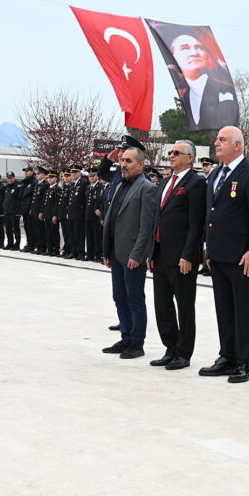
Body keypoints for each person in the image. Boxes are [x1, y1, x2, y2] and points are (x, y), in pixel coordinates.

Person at [198, 126, 249, 384]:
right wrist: (208, 246)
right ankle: (226, 356)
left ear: (238, 145)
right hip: (217, 255)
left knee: (242, 309)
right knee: (223, 308)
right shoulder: (216, 173)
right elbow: (211, 212)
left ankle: (243, 361)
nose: (216, 143)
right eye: (217, 139)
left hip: (242, 257)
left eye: (222, 139)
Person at [148, 139, 206, 370]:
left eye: (176, 153)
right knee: (162, 305)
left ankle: (184, 353)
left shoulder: (195, 183)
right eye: (170, 152)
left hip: (181, 257)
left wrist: (188, 255)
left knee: (184, 306)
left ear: (190, 158)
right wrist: (151, 251)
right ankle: (170, 347)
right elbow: (156, 219)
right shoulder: (164, 183)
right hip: (160, 253)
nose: (171, 156)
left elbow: (196, 224)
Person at [101, 144, 157, 360]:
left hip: (132, 255)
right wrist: (107, 250)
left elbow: (146, 227)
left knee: (134, 298)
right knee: (119, 297)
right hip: (116, 252)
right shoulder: (120, 185)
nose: (123, 164)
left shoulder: (147, 188)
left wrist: (138, 255)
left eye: (128, 161)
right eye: (122, 160)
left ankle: (136, 342)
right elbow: (113, 218)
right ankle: (125, 337)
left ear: (141, 165)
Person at [170, 33, 239, 131]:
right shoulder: (185, 96)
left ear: (208, 55)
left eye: (199, 47)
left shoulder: (224, 90)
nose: (194, 53)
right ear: (174, 57)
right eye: (185, 48)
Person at [67, 165, 88, 259]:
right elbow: (70, 200)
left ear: (80, 172)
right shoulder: (72, 184)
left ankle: (80, 252)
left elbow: (85, 198)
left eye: (75, 172)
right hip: (72, 212)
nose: (73, 174)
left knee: (79, 233)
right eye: (72, 172)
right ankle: (73, 251)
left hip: (79, 213)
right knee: (71, 233)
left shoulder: (83, 183)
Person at [30, 169, 50, 255]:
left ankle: (42, 247)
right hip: (34, 210)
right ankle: (38, 246)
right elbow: (34, 199)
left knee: (41, 230)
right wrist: (31, 209)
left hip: (39, 211)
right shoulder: (37, 184)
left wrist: (41, 211)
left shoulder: (45, 185)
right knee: (35, 229)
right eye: (36, 174)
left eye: (38, 174)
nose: (36, 175)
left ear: (43, 175)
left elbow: (43, 200)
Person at [19, 166, 37, 253]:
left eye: (27, 171)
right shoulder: (24, 182)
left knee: (31, 228)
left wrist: (32, 208)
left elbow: (33, 196)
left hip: (30, 209)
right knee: (27, 227)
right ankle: (29, 243)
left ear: (32, 171)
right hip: (24, 209)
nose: (26, 172)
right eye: (25, 171)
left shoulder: (34, 181)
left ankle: (32, 244)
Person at [44, 171, 62, 255]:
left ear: (55, 178)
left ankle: (56, 249)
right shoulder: (48, 189)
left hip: (52, 215)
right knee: (48, 233)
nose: (49, 179)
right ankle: (50, 248)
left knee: (54, 232)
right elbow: (45, 203)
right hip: (47, 214)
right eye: (48, 177)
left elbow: (56, 203)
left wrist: (55, 215)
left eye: (51, 178)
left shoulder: (57, 189)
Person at [2, 172, 21, 249]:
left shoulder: (18, 186)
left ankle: (17, 244)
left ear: (14, 178)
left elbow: (20, 199)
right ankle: (10, 243)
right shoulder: (6, 187)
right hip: (7, 211)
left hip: (15, 211)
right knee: (8, 228)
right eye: (8, 178)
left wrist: (19, 211)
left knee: (15, 228)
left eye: (11, 178)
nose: (9, 179)